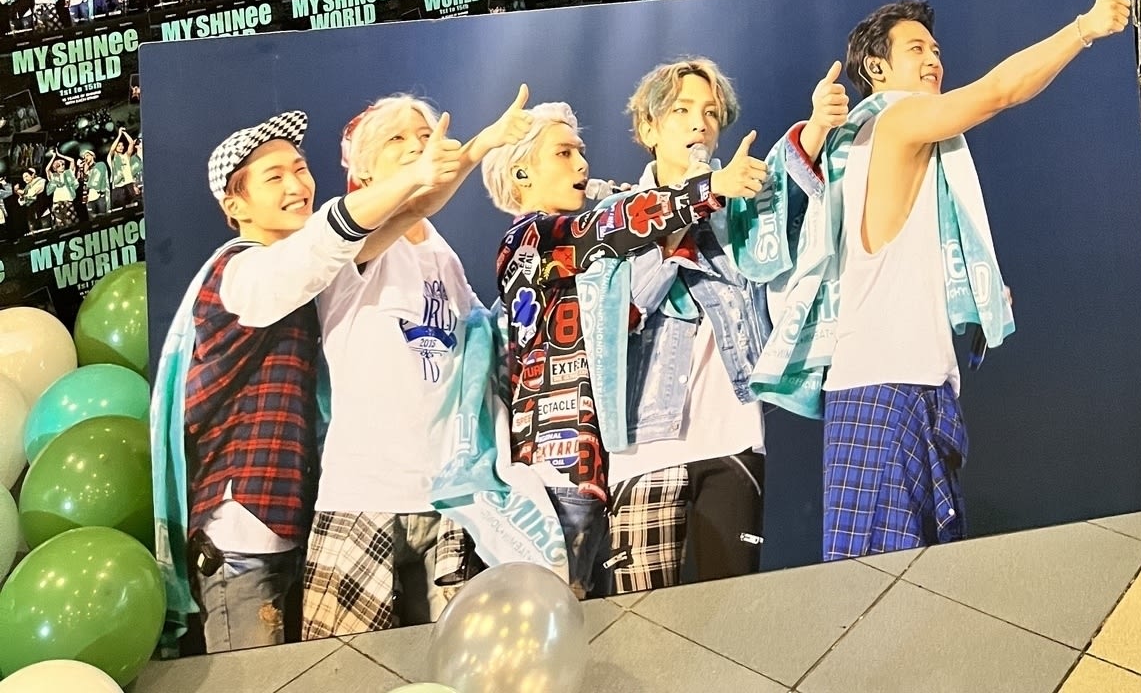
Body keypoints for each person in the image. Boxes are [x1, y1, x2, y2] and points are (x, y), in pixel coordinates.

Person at [752, 0, 1131, 563]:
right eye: (916, 49)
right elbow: (999, 91)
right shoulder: (895, 120)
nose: (933, 60)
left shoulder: (864, 142)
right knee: (880, 599)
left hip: (911, 386)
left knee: (916, 592)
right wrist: (1083, 29)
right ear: (876, 70)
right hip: (885, 389)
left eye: (936, 50)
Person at [151, 109, 461, 652]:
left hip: (292, 526)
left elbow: (383, 229)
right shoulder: (240, 272)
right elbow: (322, 245)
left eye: (300, 169)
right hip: (241, 536)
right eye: (274, 178)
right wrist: (412, 174)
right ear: (234, 205)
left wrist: (468, 155)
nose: (297, 185)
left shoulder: (311, 276)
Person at [480, 103, 767, 599]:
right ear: (521, 172)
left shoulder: (586, 246)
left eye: (582, 153)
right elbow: (616, 224)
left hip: (599, 470)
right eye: (564, 153)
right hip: (555, 477)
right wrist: (708, 190)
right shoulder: (530, 238)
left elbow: (628, 300)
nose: (582, 165)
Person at [300, 87, 545, 639]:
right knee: (344, 674)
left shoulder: (441, 252)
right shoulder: (343, 236)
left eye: (424, 134)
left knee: (464, 667)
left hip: (449, 501)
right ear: (363, 171)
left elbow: (484, 345)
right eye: (397, 139)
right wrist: (478, 146)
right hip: (365, 494)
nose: (418, 144)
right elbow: (396, 213)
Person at [607, 57, 848, 593]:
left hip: (733, 438)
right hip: (642, 445)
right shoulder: (613, 210)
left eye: (712, 112)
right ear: (648, 128)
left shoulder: (738, 205)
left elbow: (783, 200)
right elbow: (626, 308)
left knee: (732, 615)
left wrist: (815, 129)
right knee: (639, 629)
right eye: (682, 110)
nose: (700, 123)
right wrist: (699, 197)